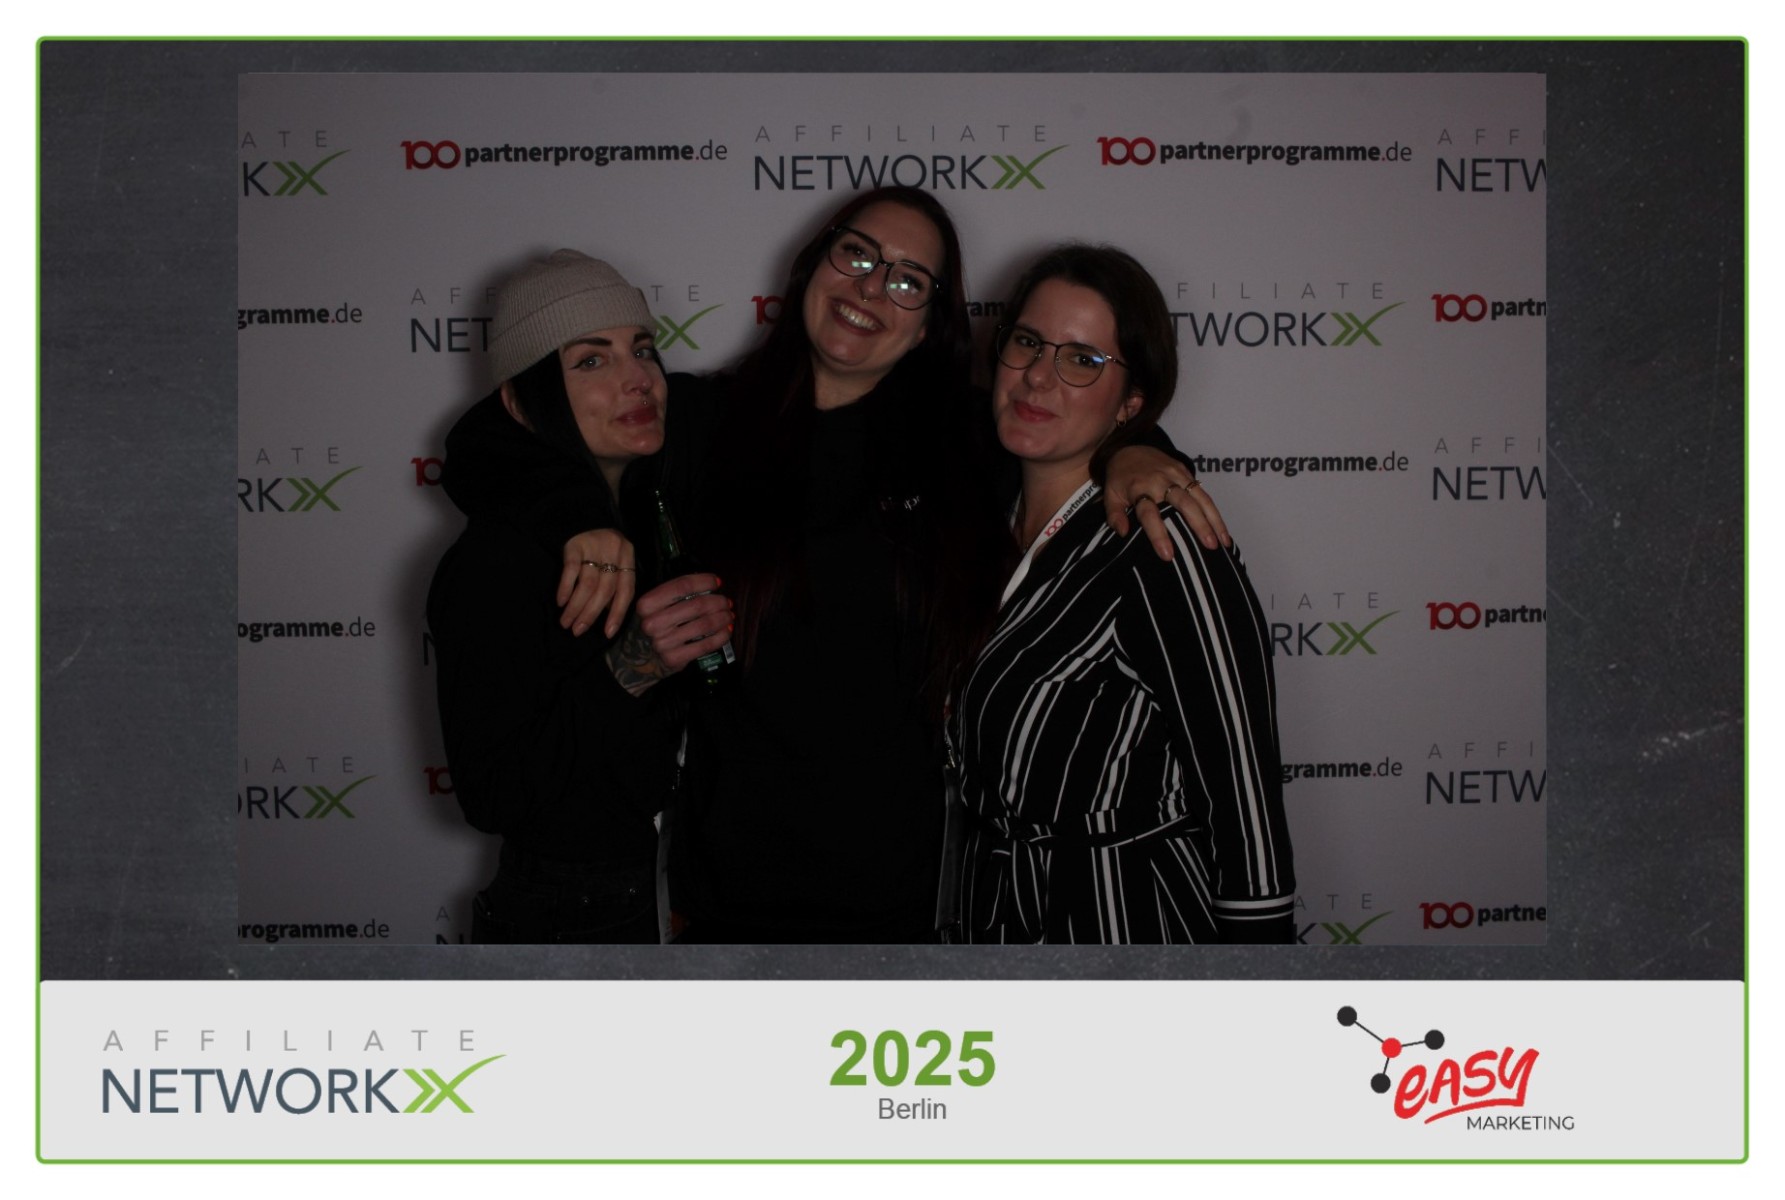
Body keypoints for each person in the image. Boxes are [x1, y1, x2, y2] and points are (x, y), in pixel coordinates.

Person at [564, 188, 1228, 943]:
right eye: (857, 255)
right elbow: (506, 436)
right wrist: (578, 514)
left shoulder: (968, 445)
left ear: (927, 325)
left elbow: (1084, 409)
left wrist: (1140, 451)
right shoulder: (696, 422)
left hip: (904, 909)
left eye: (909, 280)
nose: (872, 288)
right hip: (722, 902)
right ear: (813, 263)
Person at [951, 245, 1295, 944]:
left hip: (1126, 928)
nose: (1038, 376)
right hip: (996, 921)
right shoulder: (978, 522)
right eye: (1027, 342)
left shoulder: (1160, 540)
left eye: (1082, 360)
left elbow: (1243, 792)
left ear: (1130, 403)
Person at [426, 250, 685, 943]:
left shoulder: (653, 503)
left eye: (643, 349)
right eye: (590, 360)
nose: (637, 379)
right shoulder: (493, 562)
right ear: (522, 401)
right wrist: (630, 667)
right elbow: (491, 794)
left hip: (677, 888)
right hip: (571, 918)